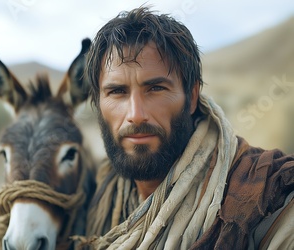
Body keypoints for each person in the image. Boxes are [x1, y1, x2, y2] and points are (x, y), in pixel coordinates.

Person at [83, 7, 294, 249]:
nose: (136, 115)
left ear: (192, 96)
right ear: (98, 103)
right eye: (117, 91)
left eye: (156, 89)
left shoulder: (273, 203)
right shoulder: (96, 203)